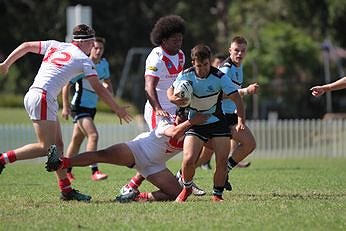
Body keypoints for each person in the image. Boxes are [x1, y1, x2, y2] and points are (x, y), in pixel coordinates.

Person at [0, 24, 132, 202]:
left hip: (42, 96)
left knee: (59, 147)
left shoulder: (56, 45)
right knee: (47, 148)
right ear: (85, 43)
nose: (94, 46)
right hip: (43, 97)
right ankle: (2, 159)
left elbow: (26, 46)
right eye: (92, 42)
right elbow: (99, 89)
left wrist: (6, 64)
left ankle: (66, 190)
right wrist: (117, 109)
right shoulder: (83, 60)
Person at [119, 15, 206, 196]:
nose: (179, 43)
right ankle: (132, 187)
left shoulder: (181, 56)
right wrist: (158, 108)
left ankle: (181, 176)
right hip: (157, 110)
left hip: (176, 108)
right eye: (175, 40)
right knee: (157, 153)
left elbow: (180, 82)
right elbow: (149, 87)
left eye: (181, 39)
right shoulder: (156, 57)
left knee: (193, 140)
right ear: (163, 39)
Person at [45, 108, 208, 202]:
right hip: (137, 150)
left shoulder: (190, 134)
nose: (177, 119)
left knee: (176, 194)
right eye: (178, 117)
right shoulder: (167, 122)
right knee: (102, 154)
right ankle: (61, 163)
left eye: (182, 118)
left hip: (155, 167)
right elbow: (173, 132)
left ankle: (136, 197)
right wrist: (191, 121)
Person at [167, 44, 246, 202]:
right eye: (198, 65)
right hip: (196, 123)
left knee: (221, 161)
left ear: (209, 62)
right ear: (193, 62)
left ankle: (217, 195)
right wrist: (173, 98)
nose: (202, 69)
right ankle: (187, 189)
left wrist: (241, 119)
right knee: (188, 160)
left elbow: (236, 98)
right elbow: (171, 90)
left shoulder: (219, 76)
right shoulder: (186, 75)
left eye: (205, 65)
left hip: (217, 121)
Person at [198, 36, 259, 191]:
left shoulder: (238, 67)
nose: (239, 53)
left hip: (229, 114)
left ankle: (225, 171)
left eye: (243, 51)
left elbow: (233, 95)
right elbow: (220, 93)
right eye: (236, 50)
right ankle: (181, 178)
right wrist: (245, 91)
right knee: (202, 157)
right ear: (230, 51)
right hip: (220, 115)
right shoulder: (226, 68)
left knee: (249, 144)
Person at [61, 37, 112, 181]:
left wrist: (110, 95)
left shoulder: (104, 64)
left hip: (92, 108)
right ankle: (94, 171)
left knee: (76, 140)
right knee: (93, 135)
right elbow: (66, 85)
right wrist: (65, 107)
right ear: (90, 48)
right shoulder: (83, 64)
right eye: (95, 48)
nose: (98, 51)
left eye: (101, 48)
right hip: (79, 107)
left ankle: (66, 170)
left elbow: (107, 81)